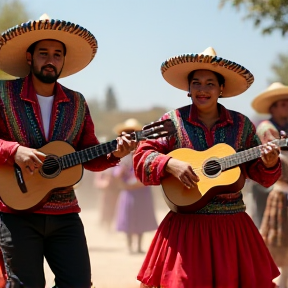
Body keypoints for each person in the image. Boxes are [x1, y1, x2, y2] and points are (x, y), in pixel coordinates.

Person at [0, 15, 137, 288]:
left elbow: (88, 154)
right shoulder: (3, 94)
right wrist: (14, 151)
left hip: (65, 214)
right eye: (43, 53)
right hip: (15, 213)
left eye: (57, 54)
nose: (50, 60)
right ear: (29, 57)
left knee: (78, 284)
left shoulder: (77, 102)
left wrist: (116, 153)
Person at [133, 47, 282, 288]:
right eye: (196, 83)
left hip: (232, 229)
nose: (202, 89)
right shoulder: (170, 121)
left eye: (210, 83)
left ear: (221, 89)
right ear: (188, 88)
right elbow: (141, 158)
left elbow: (262, 176)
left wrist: (270, 161)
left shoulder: (242, 125)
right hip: (186, 230)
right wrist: (170, 163)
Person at [251, 82, 288, 288]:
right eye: (281, 104)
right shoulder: (266, 128)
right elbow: (273, 154)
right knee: (269, 240)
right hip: (273, 191)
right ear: (272, 107)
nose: (286, 107)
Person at [113, 119, 158, 254]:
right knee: (129, 218)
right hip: (129, 192)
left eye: (132, 132)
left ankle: (138, 246)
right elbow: (117, 174)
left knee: (141, 218)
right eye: (127, 133)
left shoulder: (144, 151)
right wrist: (123, 181)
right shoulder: (121, 154)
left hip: (142, 191)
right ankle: (129, 246)